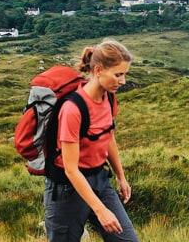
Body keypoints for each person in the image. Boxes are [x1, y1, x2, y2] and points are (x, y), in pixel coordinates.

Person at [44, 38, 139, 242]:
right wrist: (100, 210)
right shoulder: (73, 109)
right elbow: (71, 169)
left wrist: (121, 176)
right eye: (118, 74)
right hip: (67, 190)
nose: (123, 81)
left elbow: (108, 136)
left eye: (125, 74)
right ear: (97, 71)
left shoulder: (109, 97)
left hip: (100, 180)